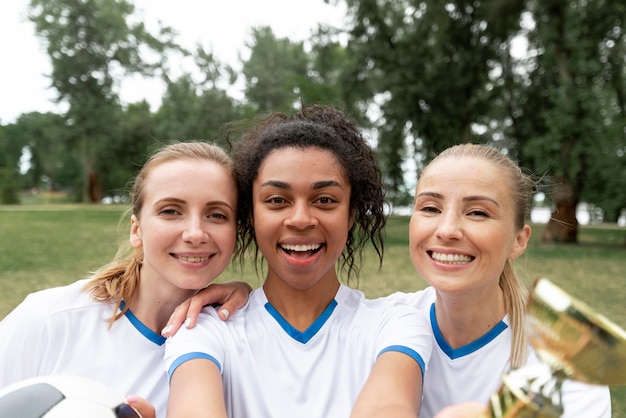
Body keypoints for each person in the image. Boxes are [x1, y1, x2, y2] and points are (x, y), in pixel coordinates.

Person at [166, 143, 611, 417]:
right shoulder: (402, 318)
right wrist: (244, 294)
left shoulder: (569, 354)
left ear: (520, 238)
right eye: (431, 208)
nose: (448, 229)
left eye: (477, 212)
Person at [164, 105, 433, 418]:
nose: (301, 219)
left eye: (325, 200)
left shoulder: (393, 325)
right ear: (251, 215)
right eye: (277, 200)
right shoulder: (203, 328)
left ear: (351, 216)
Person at [0, 141, 251, 418]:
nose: (195, 233)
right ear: (136, 230)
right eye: (170, 211)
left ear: (234, 237)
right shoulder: (48, 320)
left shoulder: (236, 338)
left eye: (217, 215)